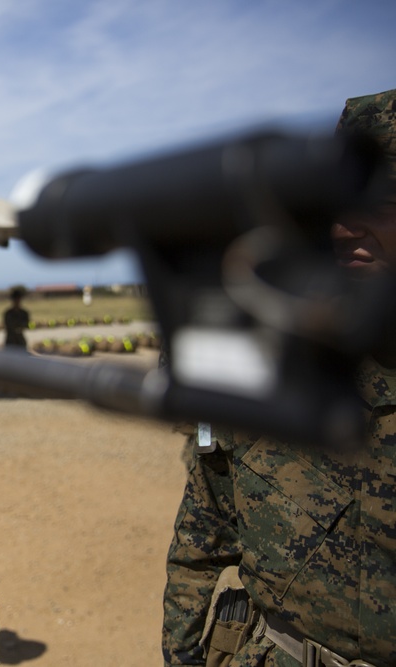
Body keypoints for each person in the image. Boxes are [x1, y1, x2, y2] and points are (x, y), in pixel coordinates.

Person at [162, 89, 396, 666]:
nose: (345, 230)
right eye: (330, 206)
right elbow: (201, 537)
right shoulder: (268, 364)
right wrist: (181, 656)